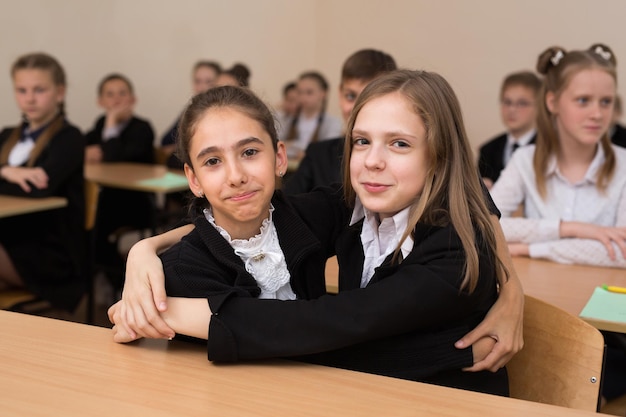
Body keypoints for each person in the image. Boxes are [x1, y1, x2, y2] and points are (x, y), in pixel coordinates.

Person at [109, 73, 522, 395]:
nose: (373, 161)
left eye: (399, 144)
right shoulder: (351, 205)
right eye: (361, 141)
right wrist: (147, 247)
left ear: (439, 154)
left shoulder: (457, 252)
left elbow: (333, 324)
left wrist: (169, 314)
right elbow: (241, 219)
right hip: (359, 396)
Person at [490, 44, 626, 268]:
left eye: (606, 102)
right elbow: (485, 225)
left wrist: (529, 249)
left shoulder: (623, 166)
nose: (597, 114)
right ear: (552, 102)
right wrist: (570, 228)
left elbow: (622, 252)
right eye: (583, 100)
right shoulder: (525, 160)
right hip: (539, 292)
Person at [0, 52, 85, 311]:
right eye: (22, 90)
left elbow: (38, 189)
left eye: (39, 90)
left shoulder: (69, 138)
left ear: (59, 92)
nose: (30, 98)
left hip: (47, 251)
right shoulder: (6, 135)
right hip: (10, 238)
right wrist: (6, 171)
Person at [283, 49, 396, 195]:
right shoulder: (319, 155)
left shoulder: (402, 161)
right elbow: (288, 206)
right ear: (340, 94)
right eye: (350, 96)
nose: (357, 108)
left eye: (370, 97)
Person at [85, 73, 156, 289]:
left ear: (132, 99)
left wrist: (111, 124)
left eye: (122, 94)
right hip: (106, 199)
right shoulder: (99, 124)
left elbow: (115, 158)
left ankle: (122, 284)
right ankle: (110, 279)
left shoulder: (142, 128)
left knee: (96, 231)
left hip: (136, 203)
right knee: (84, 226)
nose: (116, 100)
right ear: (100, 101)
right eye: (110, 94)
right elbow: (83, 147)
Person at [478, 71, 542, 188]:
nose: (512, 109)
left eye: (522, 103)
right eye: (507, 102)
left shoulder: (548, 148)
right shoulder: (488, 150)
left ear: (538, 106)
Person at [160, 60, 223, 169]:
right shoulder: (190, 112)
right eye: (197, 81)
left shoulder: (224, 114)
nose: (202, 87)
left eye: (209, 82)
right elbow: (165, 142)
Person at [281, 71, 343, 162]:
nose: (303, 97)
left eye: (309, 92)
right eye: (299, 92)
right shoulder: (287, 119)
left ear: (323, 93)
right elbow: (277, 145)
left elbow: (329, 150)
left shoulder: (333, 123)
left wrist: (293, 145)